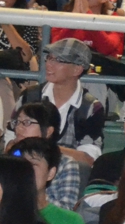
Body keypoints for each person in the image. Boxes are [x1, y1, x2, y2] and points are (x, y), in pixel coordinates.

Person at [18, 38, 105, 169]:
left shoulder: (91, 108)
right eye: (49, 58)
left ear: (77, 69)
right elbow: (10, 145)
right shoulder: (29, 96)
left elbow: (88, 159)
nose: (49, 64)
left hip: (69, 173)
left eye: (58, 60)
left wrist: (41, 147)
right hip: (24, 170)